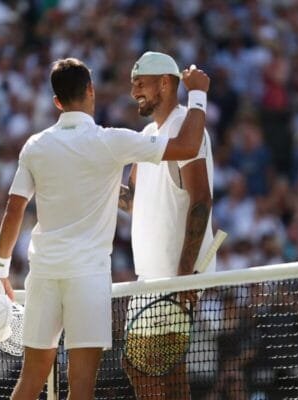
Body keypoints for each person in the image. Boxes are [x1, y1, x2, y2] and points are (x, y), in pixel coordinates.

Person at [0, 57, 210, 400]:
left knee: (30, 379)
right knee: (82, 388)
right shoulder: (112, 141)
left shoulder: (35, 146)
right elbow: (187, 146)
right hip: (88, 278)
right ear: (91, 92)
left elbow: (14, 209)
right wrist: (198, 95)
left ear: (56, 102)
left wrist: (1, 269)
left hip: (44, 273)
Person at [119, 51, 215, 400]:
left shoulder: (187, 126)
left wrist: (185, 272)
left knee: (140, 366)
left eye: (140, 84)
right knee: (171, 377)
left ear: (165, 83)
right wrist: (91, 183)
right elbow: (134, 200)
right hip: (153, 279)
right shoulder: (147, 134)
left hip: (174, 279)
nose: (134, 92)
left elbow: (201, 200)